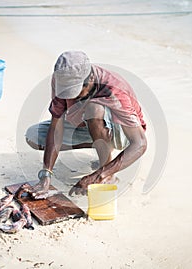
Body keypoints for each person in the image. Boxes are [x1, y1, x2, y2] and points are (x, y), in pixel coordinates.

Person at [25, 51, 147, 198]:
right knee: (34, 136)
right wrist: (46, 175)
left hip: (122, 132)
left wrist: (99, 175)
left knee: (93, 109)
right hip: (84, 124)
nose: (73, 97)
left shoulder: (114, 87)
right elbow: (56, 127)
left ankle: (108, 173)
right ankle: (101, 147)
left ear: (90, 79)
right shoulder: (60, 80)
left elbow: (140, 143)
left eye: (76, 91)